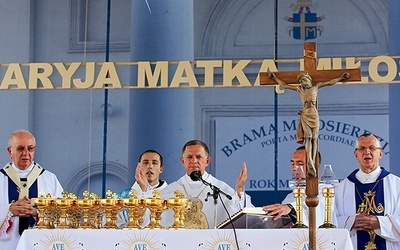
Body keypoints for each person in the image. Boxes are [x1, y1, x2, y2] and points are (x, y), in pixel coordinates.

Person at [269, 71, 349, 177]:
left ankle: (312, 160)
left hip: (314, 115)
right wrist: (275, 78)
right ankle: (310, 161)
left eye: (305, 81)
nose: (304, 83)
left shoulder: (316, 86)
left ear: (309, 80)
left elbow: (330, 82)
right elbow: (284, 85)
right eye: (302, 81)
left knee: (314, 138)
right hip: (305, 115)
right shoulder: (300, 89)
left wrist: (340, 77)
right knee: (308, 137)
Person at [159, 139, 252, 229]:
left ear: (207, 161)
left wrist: (239, 190)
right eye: (189, 157)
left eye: (199, 157)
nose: (194, 161)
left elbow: (244, 216)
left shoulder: (221, 189)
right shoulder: (169, 191)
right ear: (183, 161)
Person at [335, 133, 400, 250]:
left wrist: (380, 223)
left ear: (380, 153)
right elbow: (330, 223)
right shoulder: (341, 189)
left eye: (372, 148)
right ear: (356, 155)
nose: (367, 152)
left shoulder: (397, 185)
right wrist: (351, 222)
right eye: (362, 148)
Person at [0, 130, 63, 249]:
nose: (26, 153)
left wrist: (39, 212)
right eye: (20, 148)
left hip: (40, 243)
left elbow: (63, 213)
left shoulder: (49, 179)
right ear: (10, 151)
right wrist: (9, 210)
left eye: (30, 148)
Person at [262, 146, 336, 227]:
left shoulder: (326, 191)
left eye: (300, 164)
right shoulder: (290, 197)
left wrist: (291, 208)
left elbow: (317, 210)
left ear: (315, 167)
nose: (294, 168)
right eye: (293, 163)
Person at [116, 149, 167, 228]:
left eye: (154, 163)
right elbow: (113, 227)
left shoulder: (170, 195)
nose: (150, 166)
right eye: (145, 162)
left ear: (161, 169)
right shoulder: (122, 196)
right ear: (139, 167)